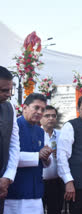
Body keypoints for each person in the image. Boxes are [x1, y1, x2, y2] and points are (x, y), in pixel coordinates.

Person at [5, 93, 53, 214]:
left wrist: (47, 157)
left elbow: (46, 163)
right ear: (24, 107)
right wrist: (38, 155)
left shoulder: (41, 132)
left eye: (42, 109)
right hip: (14, 191)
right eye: (36, 107)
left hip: (35, 192)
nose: (39, 112)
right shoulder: (12, 127)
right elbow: (8, 157)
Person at [0, 66, 20, 214]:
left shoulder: (9, 108)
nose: (8, 94)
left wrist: (8, 176)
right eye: (3, 90)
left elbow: (14, 144)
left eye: (10, 90)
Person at [40, 105, 64, 214]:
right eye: (47, 116)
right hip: (39, 181)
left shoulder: (61, 135)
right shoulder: (37, 135)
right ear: (40, 117)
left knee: (55, 210)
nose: (51, 118)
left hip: (56, 182)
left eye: (53, 116)